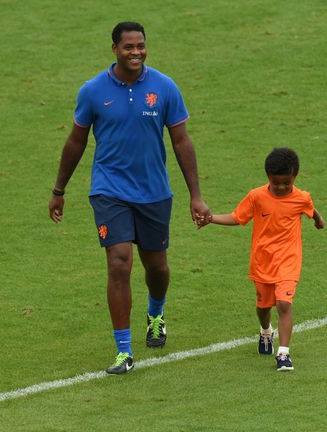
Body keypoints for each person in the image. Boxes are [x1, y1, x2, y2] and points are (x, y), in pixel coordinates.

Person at [48, 21, 211, 375]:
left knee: (157, 268)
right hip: (109, 191)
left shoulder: (165, 87)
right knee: (119, 263)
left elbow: (181, 141)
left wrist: (195, 195)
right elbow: (76, 141)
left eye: (141, 46)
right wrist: (59, 190)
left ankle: (156, 313)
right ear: (114, 49)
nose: (136, 52)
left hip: (154, 192)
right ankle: (124, 351)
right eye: (128, 47)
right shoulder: (93, 91)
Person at [204, 147, 324, 371]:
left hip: (289, 259)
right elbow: (237, 217)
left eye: (286, 183)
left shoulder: (301, 197)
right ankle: (266, 331)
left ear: (295, 177)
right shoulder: (256, 197)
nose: (281, 187)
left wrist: (318, 220)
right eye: (276, 183)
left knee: (284, 303)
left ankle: (283, 354)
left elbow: (309, 207)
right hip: (262, 261)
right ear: (268, 176)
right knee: (263, 306)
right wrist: (210, 218)